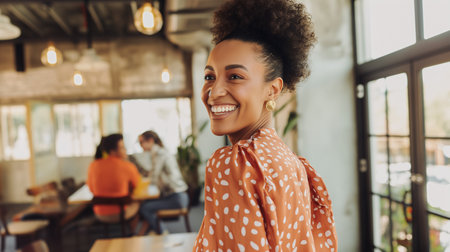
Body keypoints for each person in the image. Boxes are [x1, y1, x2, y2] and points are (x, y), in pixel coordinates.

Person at [193, 0, 338, 251]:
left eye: (235, 76)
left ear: (272, 90)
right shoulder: (293, 164)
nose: (214, 92)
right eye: (209, 76)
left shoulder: (235, 164)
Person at [138, 130, 189, 234]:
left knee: (145, 208)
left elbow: (154, 176)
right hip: (177, 195)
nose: (140, 146)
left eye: (141, 142)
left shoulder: (159, 153)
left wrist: (142, 184)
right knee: (147, 204)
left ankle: (162, 231)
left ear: (150, 140)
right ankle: (152, 231)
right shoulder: (159, 152)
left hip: (177, 197)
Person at [87, 134, 140, 223]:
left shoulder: (93, 165)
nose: (125, 150)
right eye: (122, 148)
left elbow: (91, 189)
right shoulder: (128, 166)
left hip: (99, 213)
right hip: (121, 213)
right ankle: (135, 234)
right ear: (112, 151)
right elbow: (136, 186)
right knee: (140, 204)